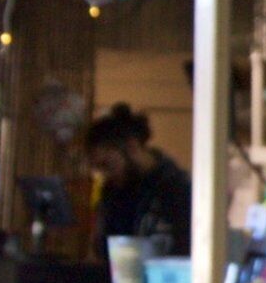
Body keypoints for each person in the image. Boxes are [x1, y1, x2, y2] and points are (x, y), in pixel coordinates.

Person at [82, 105, 194, 255]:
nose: (105, 174)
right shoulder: (112, 191)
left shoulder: (177, 188)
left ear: (132, 146)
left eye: (107, 164)